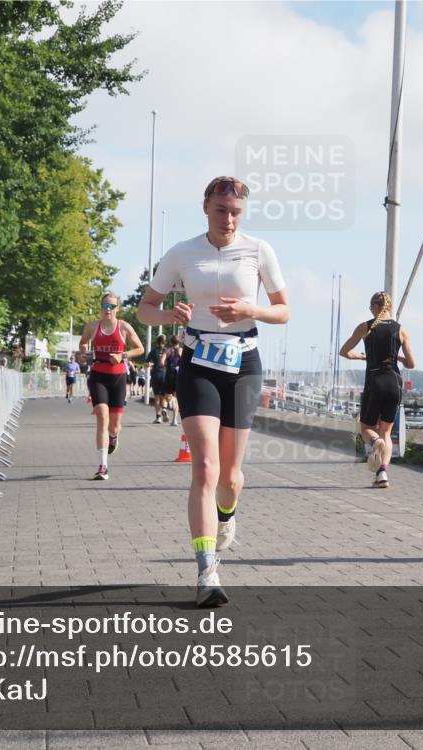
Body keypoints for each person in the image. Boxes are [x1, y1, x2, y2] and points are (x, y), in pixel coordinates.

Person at [138, 176, 289, 607]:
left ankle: (227, 514)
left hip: (243, 363)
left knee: (231, 478)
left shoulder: (259, 250)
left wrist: (250, 309)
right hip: (198, 361)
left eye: (236, 212)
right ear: (206, 207)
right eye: (221, 210)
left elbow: (284, 310)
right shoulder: (183, 252)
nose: (228, 219)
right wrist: (170, 315)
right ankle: (207, 572)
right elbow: (145, 309)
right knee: (204, 468)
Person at [338, 291, 416, 489]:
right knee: (386, 432)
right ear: (388, 307)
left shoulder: (366, 327)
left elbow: (344, 351)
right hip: (394, 382)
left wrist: (362, 357)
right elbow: (411, 364)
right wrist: (399, 358)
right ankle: (382, 474)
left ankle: (374, 443)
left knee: (366, 429)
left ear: (374, 307)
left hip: (375, 380)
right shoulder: (401, 330)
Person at [80, 293, 145, 481]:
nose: (108, 309)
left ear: (118, 308)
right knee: (102, 416)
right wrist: (83, 352)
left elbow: (140, 348)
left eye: (112, 306)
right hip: (98, 375)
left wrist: (123, 355)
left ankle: (114, 437)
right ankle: (103, 466)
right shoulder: (92, 327)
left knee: (114, 426)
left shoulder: (124, 327)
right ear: (100, 307)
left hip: (118, 377)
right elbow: (83, 342)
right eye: (104, 306)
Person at [147, 334, 170, 423]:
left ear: (157, 342)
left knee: (156, 396)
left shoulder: (153, 351)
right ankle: (164, 408)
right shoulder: (168, 351)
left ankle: (158, 417)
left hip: (155, 375)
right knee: (164, 396)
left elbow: (147, 363)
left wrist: (151, 364)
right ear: (165, 342)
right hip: (165, 375)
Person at [163, 334, 183, 426]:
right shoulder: (181, 350)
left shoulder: (168, 351)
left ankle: (164, 407)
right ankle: (174, 420)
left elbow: (161, 362)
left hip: (169, 374)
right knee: (177, 398)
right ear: (179, 341)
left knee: (167, 395)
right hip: (178, 375)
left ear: (171, 341)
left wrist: (165, 365)